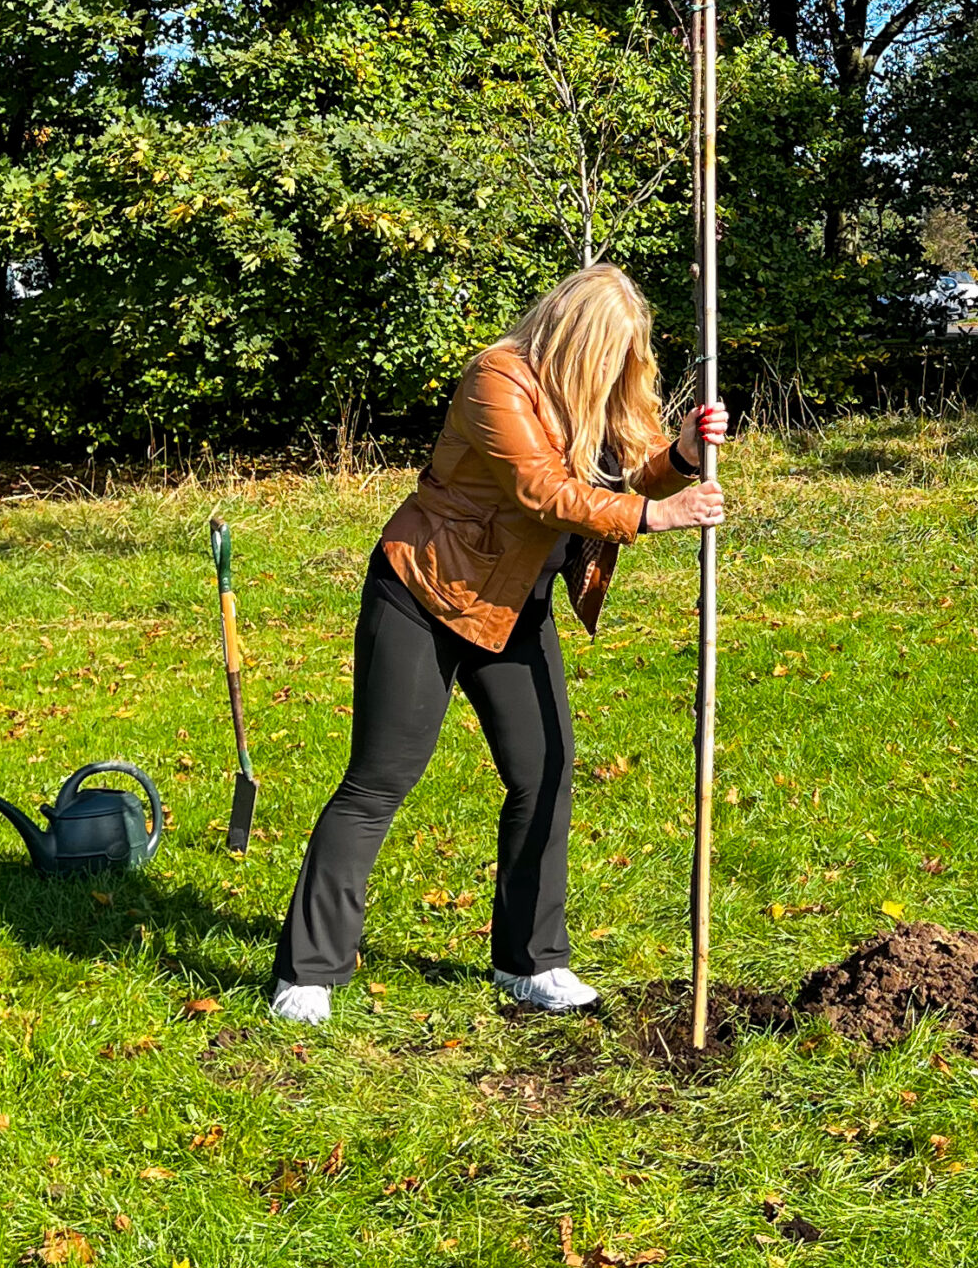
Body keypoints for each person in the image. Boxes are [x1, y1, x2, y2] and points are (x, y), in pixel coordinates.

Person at [269, 264, 727, 1025]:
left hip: (515, 606)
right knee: (381, 778)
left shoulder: (596, 392)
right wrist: (657, 518)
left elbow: (625, 469)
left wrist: (676, 455)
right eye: (610, 354)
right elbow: (543, 490)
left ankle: (532, 962)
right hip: (426, 593)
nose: (620, 370)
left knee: (545, 771)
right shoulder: (498, 380)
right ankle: (307, 972)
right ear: (577, 340)